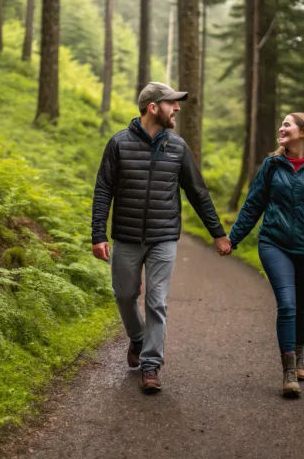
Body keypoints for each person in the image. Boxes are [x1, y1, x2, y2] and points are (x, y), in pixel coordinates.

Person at [92, 82, 231, 394]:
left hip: (164, 237)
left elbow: (197, 192)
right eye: (171, 103)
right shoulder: (118, 144)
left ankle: (151, 364)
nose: (177, 109)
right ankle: (138, 339)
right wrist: (98, 233)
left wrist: (218, 234)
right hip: (126, 236)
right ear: (153, 107)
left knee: (156, 300)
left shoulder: (178, 147)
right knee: (125, 295)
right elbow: (103, 189)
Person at [227, 113, 304, 397]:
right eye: (281, 124)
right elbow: (253, 205)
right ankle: (289, 371)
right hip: (275, 244)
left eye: (287, 125)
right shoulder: (271, 166)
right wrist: (232, 239)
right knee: (288, 305)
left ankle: (300, 353)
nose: (281, 128)